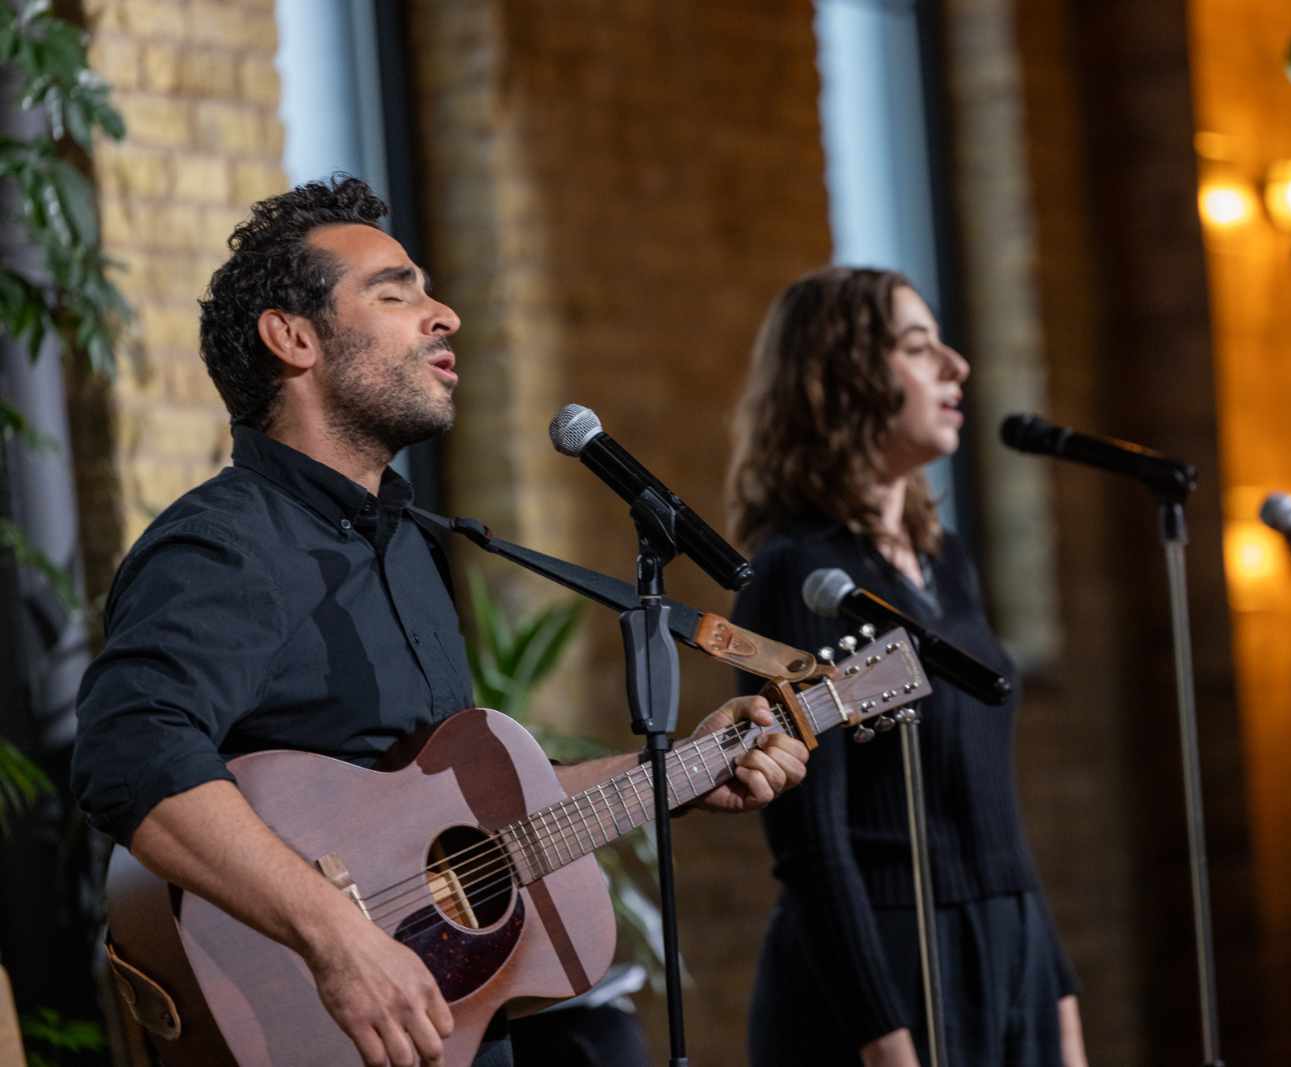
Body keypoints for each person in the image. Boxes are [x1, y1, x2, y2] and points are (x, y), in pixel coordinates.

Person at [70, 177, 808, 1067]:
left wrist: (675, 770)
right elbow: (132, 752)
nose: (446, 314)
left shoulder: (406, 546)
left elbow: (477, 819)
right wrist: (336, 939)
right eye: (397, 293)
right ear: (293, 338)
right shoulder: (225, 545)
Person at [725, 267, 1088, 1067]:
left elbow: (994, 811)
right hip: (879, 971)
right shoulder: (797, 576)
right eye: (920, 349)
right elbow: (812, 844)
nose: (957, 367)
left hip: (1007, 948)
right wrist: (886, 1040)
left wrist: (1058, 998)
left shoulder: (945, 559)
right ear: (845, 378)